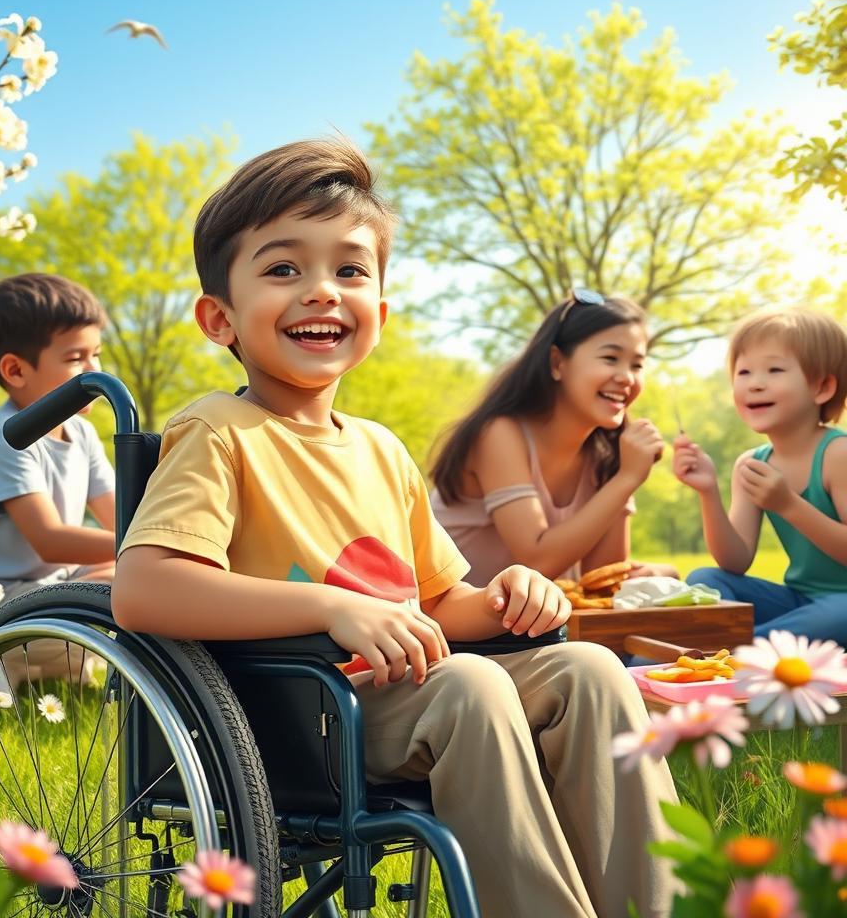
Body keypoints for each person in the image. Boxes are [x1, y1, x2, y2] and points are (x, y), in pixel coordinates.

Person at [112, 138, 677, 918]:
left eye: (349, 270)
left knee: (590, 671)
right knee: (472, 684)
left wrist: (511, 594)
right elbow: (143, 591)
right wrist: (330, 608)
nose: (321, 292)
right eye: (283, 270)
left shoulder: (379, 448)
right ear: (220, 317)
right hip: (300, 717)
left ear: (378, 310)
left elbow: (441, 607)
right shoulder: (218, 431)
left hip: (410, 690)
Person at [430, 292, 675, 587]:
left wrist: (657, 572)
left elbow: (599, 580)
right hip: (452, 625)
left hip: (528, 627)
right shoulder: (500, 434)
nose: (626, 377)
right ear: (558, 363)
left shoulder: (605, 455)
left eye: (637, 365)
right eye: (610, 358)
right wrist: (627, 478)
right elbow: (536, 561)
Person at [0, 273, 116, 678]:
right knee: (129, 580)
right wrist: (141, 545)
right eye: (76, 359)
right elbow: (50, 540)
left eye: (97, 354)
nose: (96, 371)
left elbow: (123, 516)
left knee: (138, 578)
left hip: (42, 591)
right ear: (16, 371)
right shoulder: (4, 439)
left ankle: (57, 669)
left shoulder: (82, 433)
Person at [673, 307, 847, 645]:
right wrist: (708, 492)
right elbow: (735, 561)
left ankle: (726, 652)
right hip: (800, 602)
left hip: (842, 607)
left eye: (775, 369)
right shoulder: (752, 464)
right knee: (705, 579)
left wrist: (788, 505)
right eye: (744, 371)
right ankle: (741, 646)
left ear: (822, 387)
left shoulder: (838, 454)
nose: (755, 384)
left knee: (842, 614)